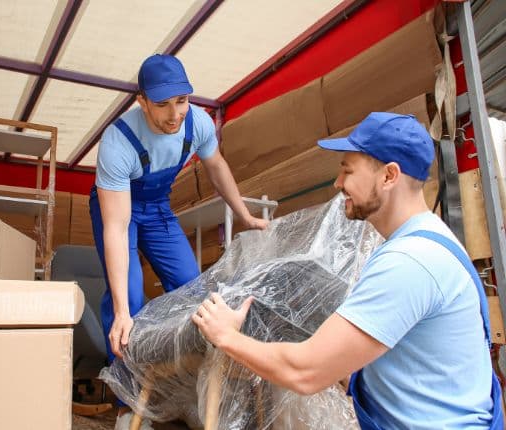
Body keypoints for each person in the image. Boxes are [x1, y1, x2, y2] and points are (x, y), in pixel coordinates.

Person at [192, 112, 503, 429]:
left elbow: (305, 372)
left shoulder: (409, 261)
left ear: (389, 176)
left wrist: (226, 336)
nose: (338, 183)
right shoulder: (431, 240)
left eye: (347, 171)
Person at [90, 54, 268, 428]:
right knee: (131, 303)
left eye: (182, 101)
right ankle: (126, 400)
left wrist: (244, 214)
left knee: (194, 289)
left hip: (157, 208)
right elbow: (117, 228)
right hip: (118, 209)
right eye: (162, 104)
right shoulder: (117, 142)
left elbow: (217, 167)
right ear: (141, 101)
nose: (175, 114)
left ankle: (186, 388)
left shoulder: (198, 122)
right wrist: (122, 310)